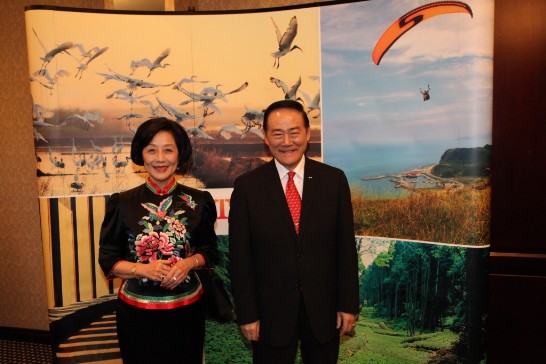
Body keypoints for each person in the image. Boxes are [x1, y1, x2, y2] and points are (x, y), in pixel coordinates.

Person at [229, 99, 359, 363]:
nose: (286, 141)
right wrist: (247, 314)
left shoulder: (333, 180)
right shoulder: (247, 187)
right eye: (277, 133)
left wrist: (348, 305)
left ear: (308, 134)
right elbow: (241, 259)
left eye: (294, 132)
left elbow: (345, 248)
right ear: (266, 137)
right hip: (269, 316)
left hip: (324, 314)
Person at [98, 117, 218, 363]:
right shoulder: (122, 203)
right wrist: (143, 269)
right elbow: (108, 259)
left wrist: (187, 264)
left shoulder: (199, 201)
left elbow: (209, 250)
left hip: (187, 310)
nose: (160, 159)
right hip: (137, 313)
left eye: (168, 150)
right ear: (141, 155)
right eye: (152, 150)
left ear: (180, 154)